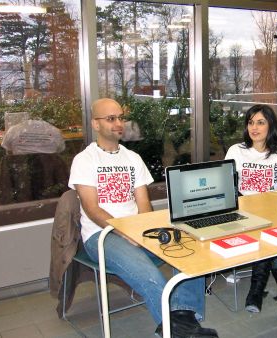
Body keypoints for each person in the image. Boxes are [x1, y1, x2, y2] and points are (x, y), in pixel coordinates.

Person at [68, 98, 218, 338]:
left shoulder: (132, 159)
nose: (119, 123)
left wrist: (143, 232)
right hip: (102, 235)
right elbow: (92, 209)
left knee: (192, 253)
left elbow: (143, 205)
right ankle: (181, 331)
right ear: (96, 125)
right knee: (150, 274)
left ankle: (182, 320)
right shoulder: (85, 160)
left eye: (120, 117)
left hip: (135, 231)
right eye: (111, 118)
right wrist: (124, 232)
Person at [225, 104, 277, 320]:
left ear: (270, 126)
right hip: (243, 212)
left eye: (260, 122)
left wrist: (274, 215)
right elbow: (228, 188)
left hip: (273, 212)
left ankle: (256, 293)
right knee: (267, 242)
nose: (254, 128)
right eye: (250, 122)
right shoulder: (236, 151)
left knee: (267, 239)